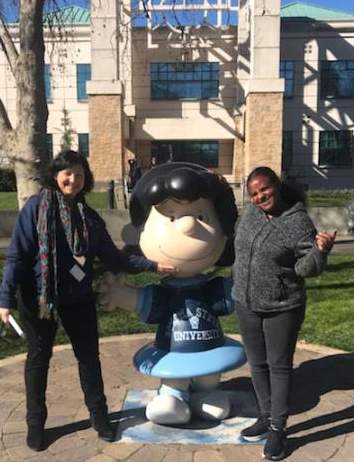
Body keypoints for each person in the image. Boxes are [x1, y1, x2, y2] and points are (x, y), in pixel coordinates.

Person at [0, 150, 177, 451]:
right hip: (39, 299)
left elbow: (115, 259)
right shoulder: (36, 208)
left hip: (77, 300)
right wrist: (6, 299)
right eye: (67, 173)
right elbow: (17, 256)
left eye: (79, 174)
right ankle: (36, 424)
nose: (73, 180)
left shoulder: (90, 219)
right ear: (56, 176)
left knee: (89, 359)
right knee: (39, 360)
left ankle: (99, 417)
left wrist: (155, 265)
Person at [99, 162, 245, 425]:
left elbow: (232, 295)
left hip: (210, 346)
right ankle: (172, 397)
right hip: (172, 348)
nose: (189, 225)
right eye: (172, 216)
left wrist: (249, 285)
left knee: (210, 376)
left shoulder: (209, 287)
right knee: (174, 374)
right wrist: (120, 295)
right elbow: (148, 302)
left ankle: (208, 393)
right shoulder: (165, 292)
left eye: (201, 215)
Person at [232, 166, 336, 461]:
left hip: (282, 307)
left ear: (276, 186)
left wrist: (320, 251)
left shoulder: (298, 222)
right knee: (256, 363)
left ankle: (278, 428)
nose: (259, 196)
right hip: (246, 302)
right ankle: (265, 416)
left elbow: (305, 269)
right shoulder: (249, 214)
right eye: (253, 193)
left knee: (279, 366)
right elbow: (238, 247)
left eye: (263, 189)